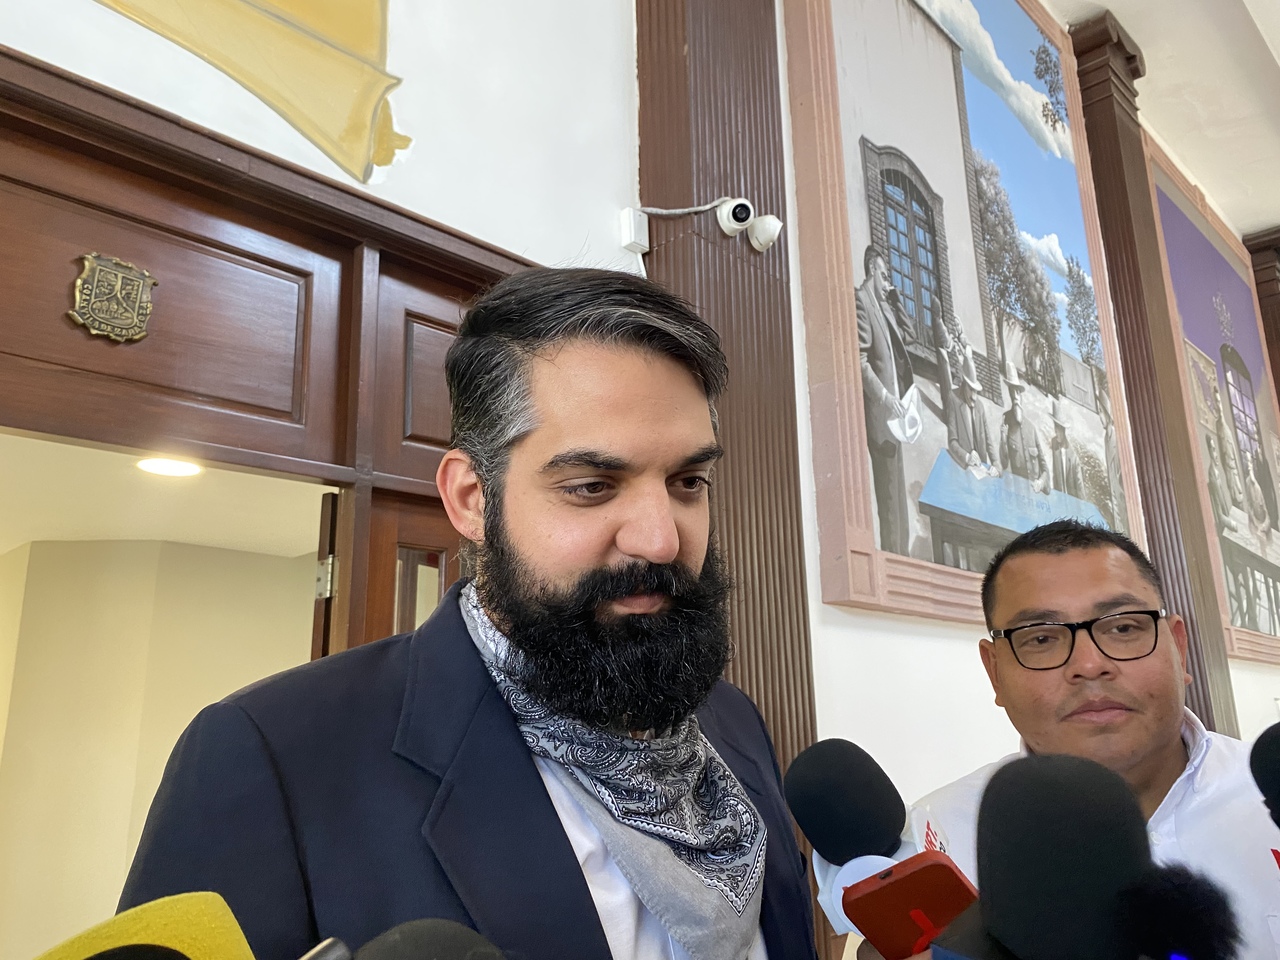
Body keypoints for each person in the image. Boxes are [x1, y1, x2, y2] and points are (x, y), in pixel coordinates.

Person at [119, 268, 818, 960]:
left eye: (688, 481)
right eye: (591, 486)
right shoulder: (272, 760)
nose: (662, 540)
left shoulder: (731, 723)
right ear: (470, 499)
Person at [824, 520, 1280, 960]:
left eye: (1123, 627)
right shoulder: (938, 833)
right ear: (995, 672)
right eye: (1041, 638)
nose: (1089, 664)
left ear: (1178, 647)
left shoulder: (1267, 798)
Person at [857, 244, 915, 554]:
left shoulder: (884, 306)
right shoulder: (861, 300)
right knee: (889, 499)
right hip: (882, 416)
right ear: (872, 271)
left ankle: (903, 558)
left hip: (897, 418)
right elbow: (861, 361)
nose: (887, 281)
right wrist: (884, 397)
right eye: (884, 275)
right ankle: (894, 559)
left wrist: (895, 298)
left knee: (899, 498)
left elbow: (910, 335)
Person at [999, 368, 1048, 494]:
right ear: (1009, 394)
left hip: (1035, 493)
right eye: (1012, 391)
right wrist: (1003, 439)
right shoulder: (1006, 420)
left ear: (1021, 396)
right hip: (1018, 491)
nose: (1015, 396)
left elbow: (1044, 467)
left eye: (1018, 392)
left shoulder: (1031, 428)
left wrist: (1041, 482)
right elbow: (1004, 463)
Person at [1047, 398, 1084, 499]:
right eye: (1055, 426)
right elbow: (1054, 474)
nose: (1055, 431)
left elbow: (1080, 488)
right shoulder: (1054, 443)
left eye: (1058, 427)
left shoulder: (1073, 458)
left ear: (1064, 430)